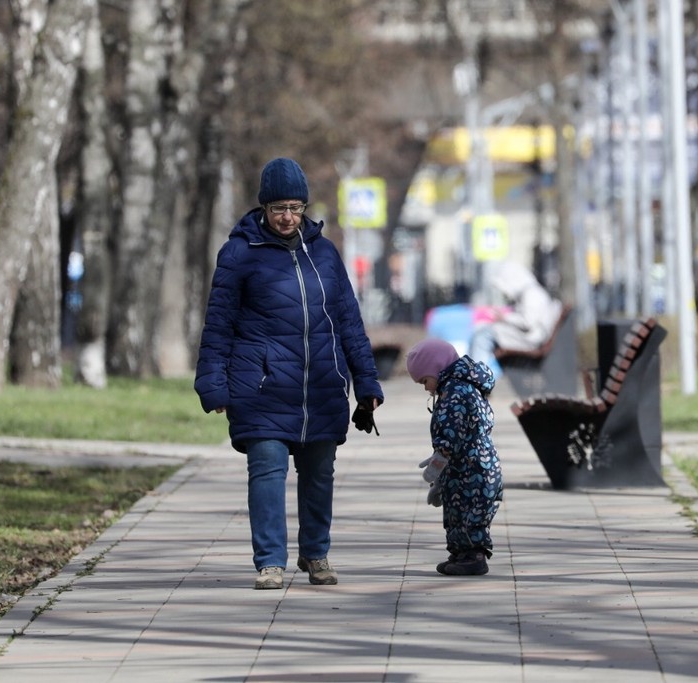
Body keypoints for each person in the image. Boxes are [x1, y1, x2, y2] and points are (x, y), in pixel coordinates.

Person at [194, 157, 383, 590]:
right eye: (279, 208)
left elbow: (349, 322)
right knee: (267, 469)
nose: (287, 217)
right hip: (260, 385)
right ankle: (270, 561)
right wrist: (213, 383)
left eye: (295, 208)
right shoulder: (240, 252)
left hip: (321, 385)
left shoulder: (324, 253)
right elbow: (218, 323)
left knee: (319, 474)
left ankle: (316, 553)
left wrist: (367, 382)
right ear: (263, 208)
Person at [406, 338, 503, 576]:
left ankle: (473, 557)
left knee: (470, 513)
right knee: (456, 511)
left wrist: (436, 467)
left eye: (425, 380)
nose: (426, 388)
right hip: (467, 466)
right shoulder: (456, 388)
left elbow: (450, 436)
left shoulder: (456, 392)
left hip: (474, 468)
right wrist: (443, 478)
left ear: (437, 368)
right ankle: (460, 554)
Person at [468, 260, 563, 377]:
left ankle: (475, 377)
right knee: (483, 333)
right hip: (531, 337)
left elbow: (528, 322)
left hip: (530, 339)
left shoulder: (532, 294)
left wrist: (504, 318)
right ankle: (475, 375)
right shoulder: (531, 292)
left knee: (482, 336)